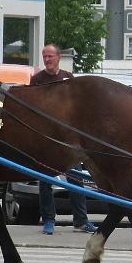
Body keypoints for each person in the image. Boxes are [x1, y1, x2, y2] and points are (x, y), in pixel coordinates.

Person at [30, 44, 97, 236]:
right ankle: (49, 220)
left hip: (67, 138)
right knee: (45, 180)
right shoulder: (37, 80)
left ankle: (81, 221)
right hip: (46, 138)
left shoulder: (68, 78)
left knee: (76, 179)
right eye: (44, 56)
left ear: (59, 57)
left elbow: (77, 107)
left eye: (50, 56)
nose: (47, 60)